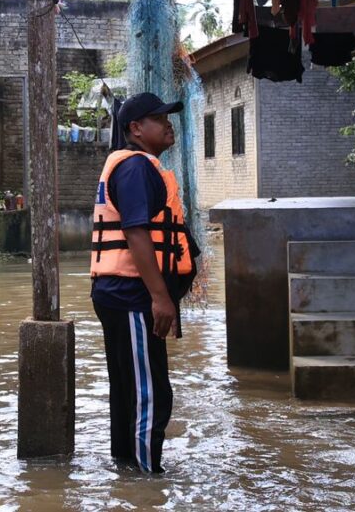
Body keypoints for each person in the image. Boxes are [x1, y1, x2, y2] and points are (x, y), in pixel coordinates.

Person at [90, 92, 198, 473]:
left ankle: (126, 470)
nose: (169, 124)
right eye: (159, 118)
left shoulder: (140, 165)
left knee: (129, 388)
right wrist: (160, 297)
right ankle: (145, 478)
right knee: (149, 393)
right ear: (135, 129)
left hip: (122, 293)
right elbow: (136, 233)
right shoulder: (136, 168)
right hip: (133, 294)